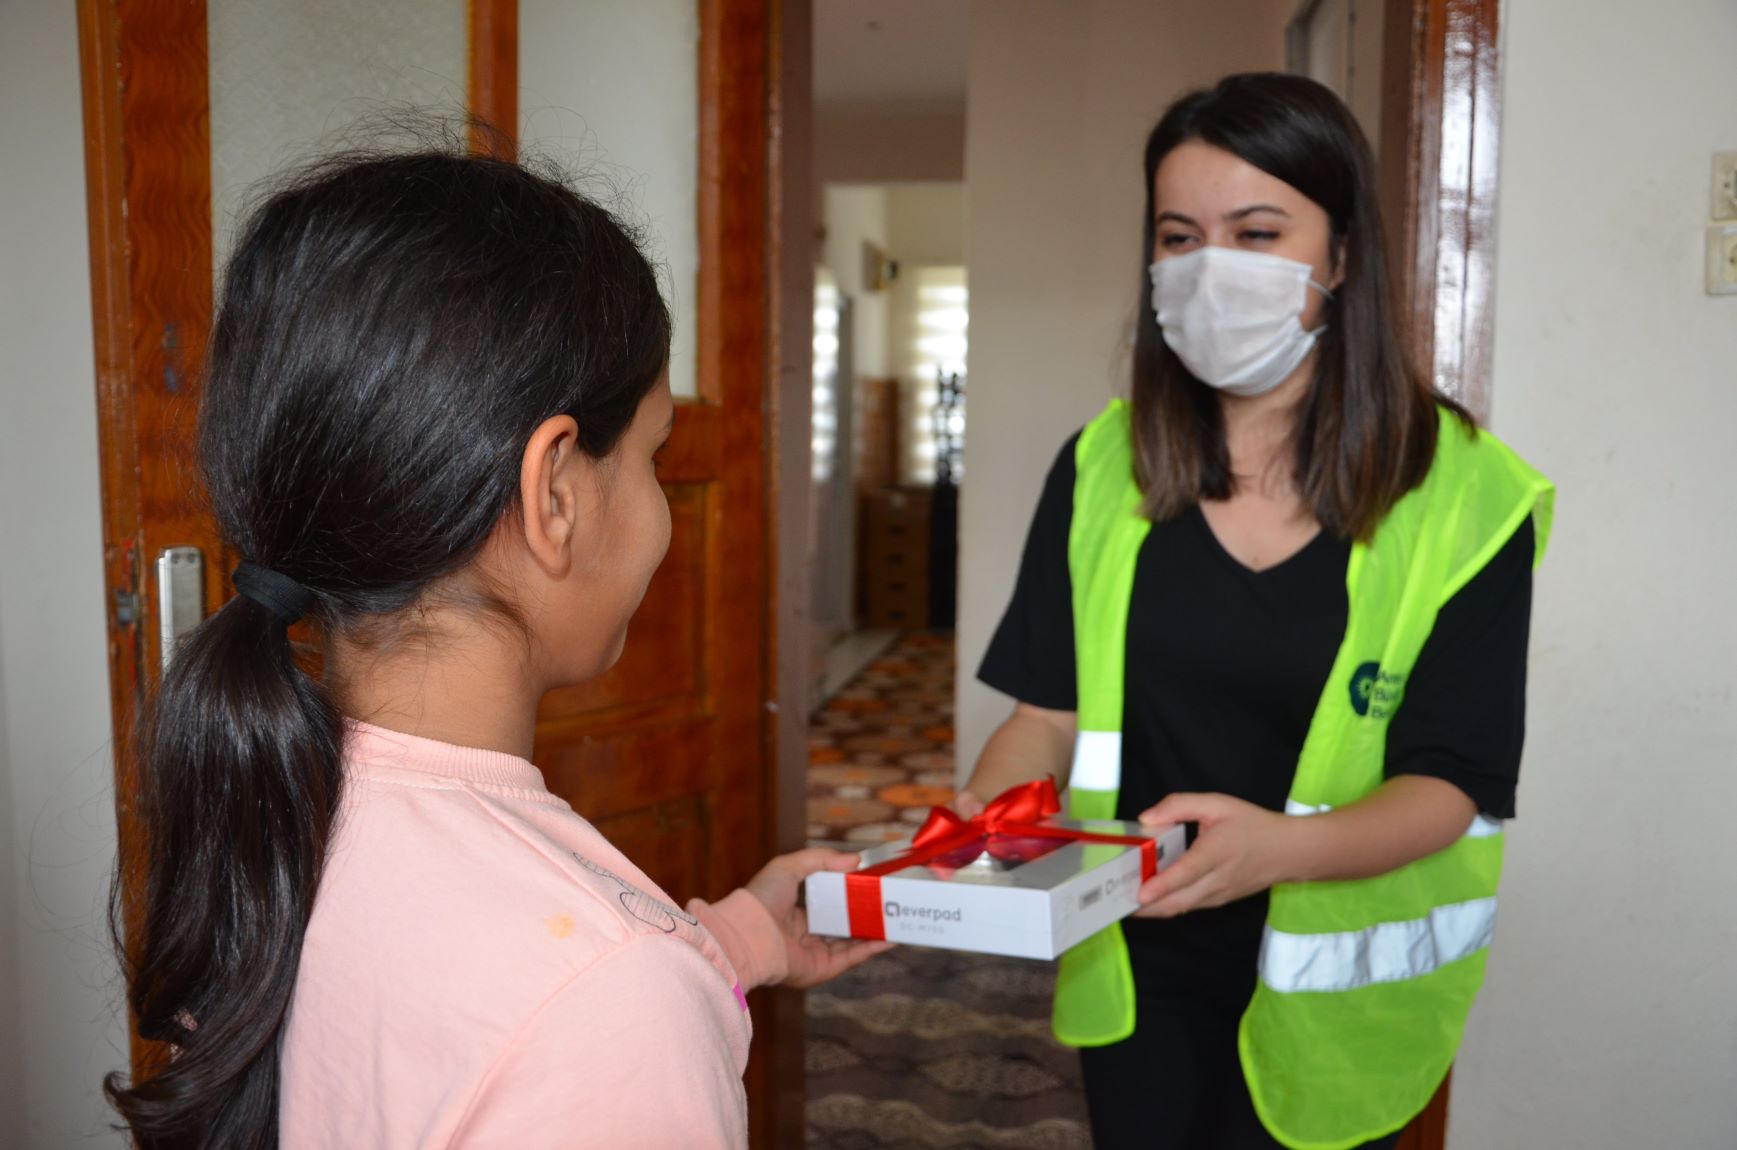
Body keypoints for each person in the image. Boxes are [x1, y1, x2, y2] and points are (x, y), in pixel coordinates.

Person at [103, 145, 886, 1149]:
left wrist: (733, 938)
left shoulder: (267, 806)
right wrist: (649, 979)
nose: (659, 511)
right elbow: (566, 1016)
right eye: (654, 455)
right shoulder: (607, 999)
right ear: (554, 490)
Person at [961, 73, 1553, 1150]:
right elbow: (1044, 717)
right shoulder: (1103, 465)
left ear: (1341, 256)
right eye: (1179, 237)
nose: (1211, 269)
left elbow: (1455, 783)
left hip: (1335, 999)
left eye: (1257, 230)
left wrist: (1275, 849)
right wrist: (977, 827)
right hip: (1136, 968)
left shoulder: (1469, 495)